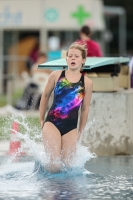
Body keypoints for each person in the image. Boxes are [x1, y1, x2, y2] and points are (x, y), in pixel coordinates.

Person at [39, 42, 93, 173]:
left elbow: (85, 109)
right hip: (52, 123)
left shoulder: (87, 82)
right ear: (66, 59)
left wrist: (80, 130)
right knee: (55, 165)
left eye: (76, 56)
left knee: (68, 167)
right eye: (70, 56)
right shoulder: (56, 75)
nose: (73, 58)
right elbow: (45, 96)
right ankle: (50, 190)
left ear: (83, 60)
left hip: (71, 128)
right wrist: (41, 119)